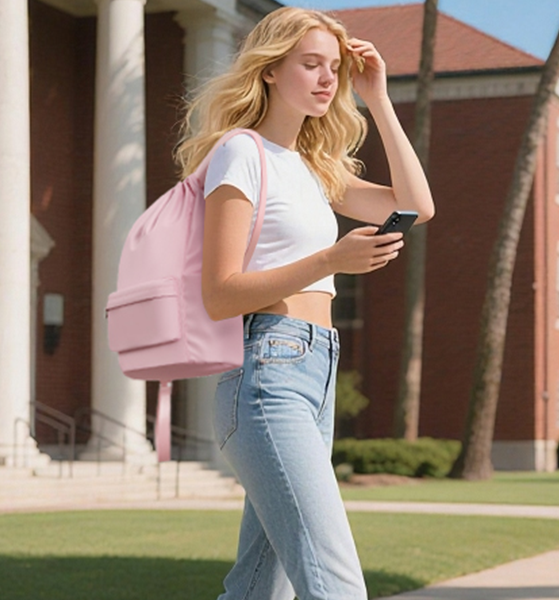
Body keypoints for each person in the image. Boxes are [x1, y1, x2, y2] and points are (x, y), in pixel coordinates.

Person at [175, 7, 434, 599]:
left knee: (263, 588)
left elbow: (418, 206)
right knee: (335, 584)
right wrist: (329, 261)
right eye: (310, 64)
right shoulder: (241, 153)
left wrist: (379, 99)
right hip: (267, 372)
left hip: (317, 373)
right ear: (269, 70)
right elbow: (219, 293)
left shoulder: (317, 170)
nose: (325, 79)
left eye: (334, 69)